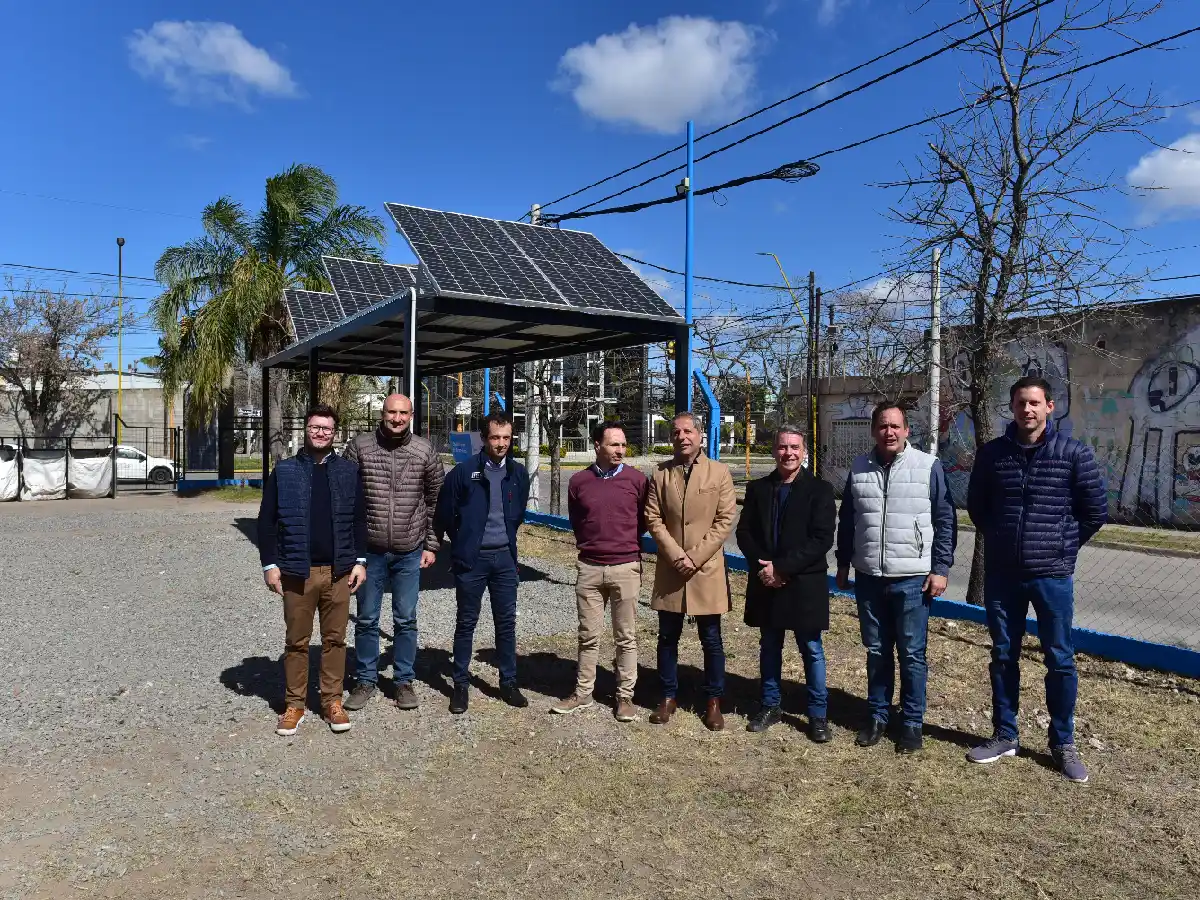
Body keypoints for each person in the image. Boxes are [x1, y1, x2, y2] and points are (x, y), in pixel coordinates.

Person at [965, 375, 1106, 783]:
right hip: (1004, 574)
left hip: (1052, 576)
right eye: (1020, 403)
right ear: (1011, 407)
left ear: (1049, 407)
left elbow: (1095, 511)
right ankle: (1005, 735)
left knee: (1059, 659)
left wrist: (1062, 546)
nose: (1027, 409)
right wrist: (1001, 540)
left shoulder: (1074, 454)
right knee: (1003, 654)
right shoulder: (992, 454)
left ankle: (1062, 743)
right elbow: (977, 506)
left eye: (1034, 403)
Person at [836, 402, 955, 754]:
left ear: (906, 431)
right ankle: (877, 716)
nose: (889, 432)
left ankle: (912, 723)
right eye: (882, 426)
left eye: (895, 426)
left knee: (912, 653)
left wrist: (940, 568)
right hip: (869, 576)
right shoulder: (859, 467)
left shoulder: (928, 466)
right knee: (876, 650)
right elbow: (849, 520)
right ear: (873, 430)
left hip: (913, 578)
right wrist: (843, 562)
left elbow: (945, 518)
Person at [257, 404, 367, 736]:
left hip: (338, 571)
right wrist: (270, 564)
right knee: (297, 641)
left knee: (335, 640)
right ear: (306, 429)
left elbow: (359, 520)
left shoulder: (348, 471)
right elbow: (266, 521)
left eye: (327, 428)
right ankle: (294, 704)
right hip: (297, 572)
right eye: (315, 427)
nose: (321, 433)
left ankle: (332, 701)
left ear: (335, 433)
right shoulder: (285, 471)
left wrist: (360, 561)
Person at [342, 393, 444, 713]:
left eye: (403, 413)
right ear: (382, 413)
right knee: (367, 619)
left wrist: (431, 544)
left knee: (406, 619)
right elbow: (343, 497)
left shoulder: (424, 450)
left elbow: (436, 500)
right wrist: (350, 549)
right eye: (391, 412)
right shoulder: (360, 447)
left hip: (409, 549)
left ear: (411, 416)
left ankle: (403, 680)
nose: (397, 418)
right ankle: (365, 679)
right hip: (369, 552)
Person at [737, 426, 837, 741]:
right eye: (782, 447)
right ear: (774, 451)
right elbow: (744, 533)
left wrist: (781, 568)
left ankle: (818, 715)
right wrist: (764, 568)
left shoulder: (820, 490)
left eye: (795, 447)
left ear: (804, 452)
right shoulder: (758, 489)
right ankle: (770, 705)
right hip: (766, 581)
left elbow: (821, 539)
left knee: (811, 649)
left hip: (804, 583)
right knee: (769, 645)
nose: (788, 453)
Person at [644, 411, 737, 731]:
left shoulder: (719, 473)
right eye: (676, 432)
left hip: (705, 568)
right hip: (671, 569)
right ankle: (668, 696)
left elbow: (725, 520)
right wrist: (675, 554)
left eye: (688, 431)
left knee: (711, 639)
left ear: (700, 436)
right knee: (667, 637)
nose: (682, 437)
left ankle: (713, 701)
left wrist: (694, 557)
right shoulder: (660, 473)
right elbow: (653, 518)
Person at [434, 410, 531, 715]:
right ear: (484, 438)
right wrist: (464, 540)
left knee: (506, 623)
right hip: (472, 560)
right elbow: (445, 513)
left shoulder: (518, 473)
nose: (501, 443)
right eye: (495, 437)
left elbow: (517, 514)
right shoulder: (463, 473)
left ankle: (508, 682)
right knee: (466, 622)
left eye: (506, 438)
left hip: (504, 559)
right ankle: (460, 685)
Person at [552, 422, 649, 722]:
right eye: (614, 444)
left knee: (626, 636)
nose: (620, 450)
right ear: (597, 445)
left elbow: (643, 520)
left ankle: (625, 696)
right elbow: (578, 521)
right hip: (590, 568)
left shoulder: (637, 480)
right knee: (588, 635)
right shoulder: (579, 482)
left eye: (623, 444)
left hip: (626, 567)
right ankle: (583, 693)